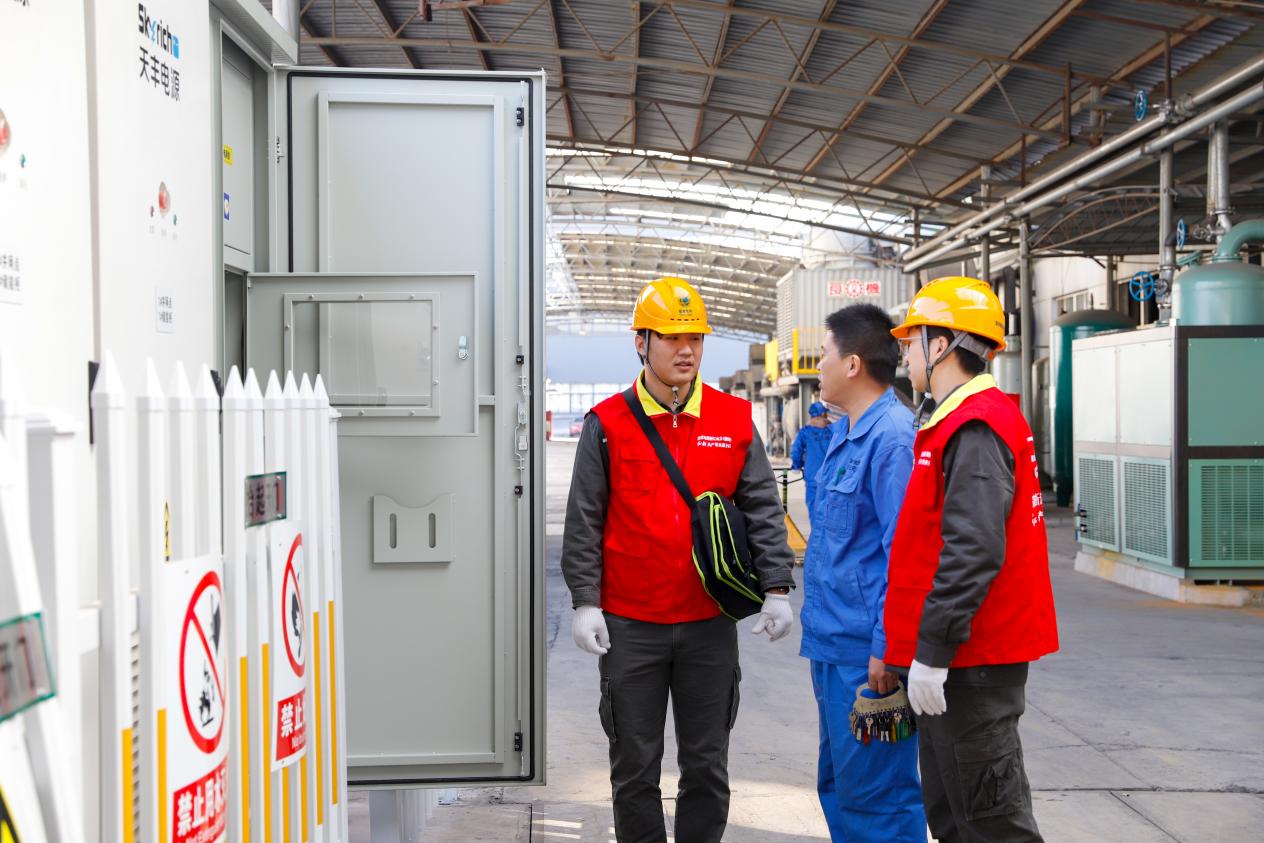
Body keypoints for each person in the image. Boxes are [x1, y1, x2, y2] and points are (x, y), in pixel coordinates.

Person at [562, 277, 797, 843]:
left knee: (707, 766)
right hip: (630, 627)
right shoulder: (607, 424)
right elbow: (584, 519)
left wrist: (776, 588)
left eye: (695, 337)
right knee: (634, 769)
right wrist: (586, 601)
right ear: (641, 342)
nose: (686, 349)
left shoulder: (733, 420)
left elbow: (763, 507)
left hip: (708, 625)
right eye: (671, 337)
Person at [884, 276, 1059, 843]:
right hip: (957, 660)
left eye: (912, 342)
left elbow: (973, 548)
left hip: (971, 662)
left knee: (991, 824)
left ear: (940, 345)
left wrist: (933, 652)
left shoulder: (975, 426)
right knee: (955, 818)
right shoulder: (955, 420)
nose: (906, 355)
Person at [799, 304, 926, 842]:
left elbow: (905, 554)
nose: (818, 366)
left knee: (879, 799)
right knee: (841, 787)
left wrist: (888, 648)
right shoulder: (847, 433)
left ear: (852, 364)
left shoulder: (892, 438)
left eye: (824, 354)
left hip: (868, 658)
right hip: (833, 645)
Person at [790, 400, 832, 522]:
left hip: (812, 476)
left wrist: (796, 466)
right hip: (831, 476)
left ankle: (816, 533)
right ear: (823, 414)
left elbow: (796, 449)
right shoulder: (832, 430)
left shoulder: (805, 431)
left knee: (814, 509)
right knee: (830, 511)